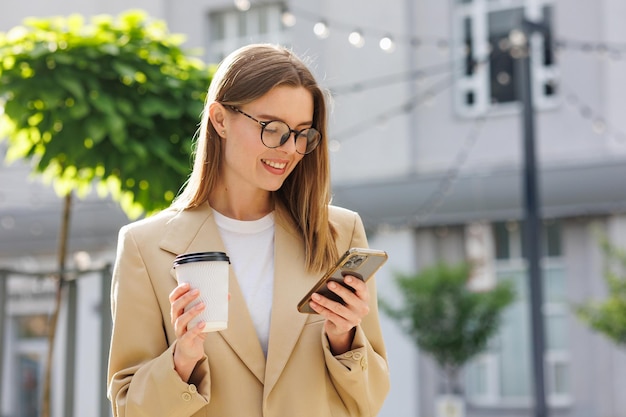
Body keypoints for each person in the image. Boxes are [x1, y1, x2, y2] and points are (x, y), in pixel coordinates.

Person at [107, 43, 390, 417]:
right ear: (220, 119)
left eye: (302, 133)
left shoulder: (339, 233)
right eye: (272, 129)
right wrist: (183, 359)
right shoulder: (146, 247)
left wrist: (344, 340)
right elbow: (128, 408)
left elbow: (370, 401)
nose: (289, 149)